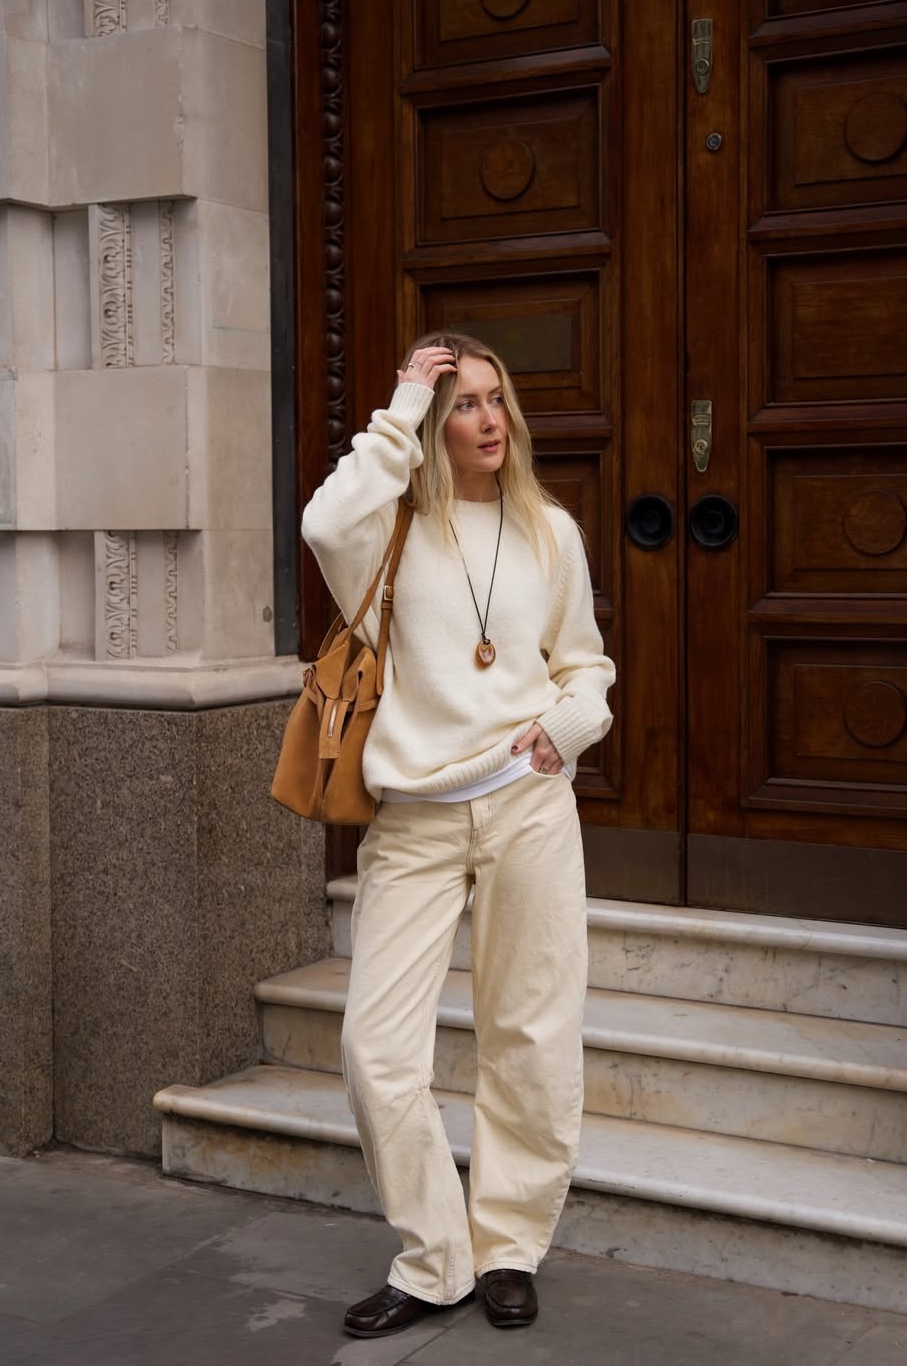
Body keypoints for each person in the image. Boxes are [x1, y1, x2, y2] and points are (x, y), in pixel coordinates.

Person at [301, 332, 615, 1338]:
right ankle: (434, 1257)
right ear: (431, 429)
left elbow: (586, 666)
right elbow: (322, 517)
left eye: (493, 401)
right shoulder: (383, 534)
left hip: (528, 807)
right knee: (375, 1047)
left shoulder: (548, 531)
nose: (486, 421)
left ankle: (509, 1246)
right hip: (417, 820)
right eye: (463, 406)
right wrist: (402, 402)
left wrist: (563, 731)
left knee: (528, 1032)